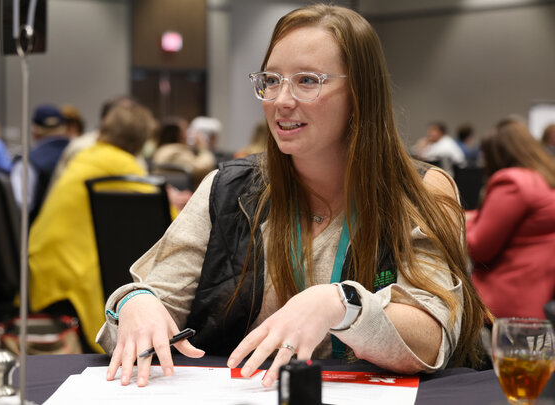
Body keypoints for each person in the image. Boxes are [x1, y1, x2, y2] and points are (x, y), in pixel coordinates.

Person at [97, 4, 489, 388]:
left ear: (360, 92)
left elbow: (435, 336)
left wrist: (341, 304)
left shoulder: (421, 190)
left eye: (307, 81)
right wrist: (134, 304)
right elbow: (142, 306)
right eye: (271, 80)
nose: (281, 100)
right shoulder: (228, 188)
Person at [29, 101, 158, 353]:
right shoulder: (123, 166)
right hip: (71, 273)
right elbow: (164, 219)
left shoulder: (88, 155)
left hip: (44, 261)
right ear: (141, 139)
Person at [466, 119, 555, 319]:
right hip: (536, 300)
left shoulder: (512, 181)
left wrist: (456, 222)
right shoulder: (544, 179)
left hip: (503, 306)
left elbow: (478, 249)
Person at [10, 104, 70, 221]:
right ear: (64, 129)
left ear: (34, 131)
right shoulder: (83, 156)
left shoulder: (27, 163)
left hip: (40, 235)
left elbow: (20, 207)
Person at [151, 117, 216, 188]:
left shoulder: (162, 150)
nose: (188, 134)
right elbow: (202, 169)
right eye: (185, 130)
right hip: (185, 194)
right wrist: (203, 148)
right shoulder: (176, 152)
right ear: (177, 134)